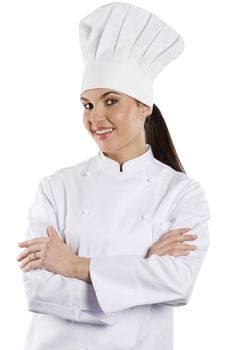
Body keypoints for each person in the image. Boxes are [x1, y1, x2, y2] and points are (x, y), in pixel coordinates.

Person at [17, 2, 211, 350]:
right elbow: (38, 289)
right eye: (87, 105)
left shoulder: (182, 193)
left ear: (143, 107)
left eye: (110, 101)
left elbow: (178, 283)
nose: (96, 117)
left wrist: (74, 265)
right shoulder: (56, 187)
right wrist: (139, 278)